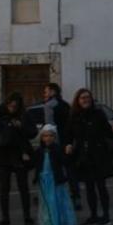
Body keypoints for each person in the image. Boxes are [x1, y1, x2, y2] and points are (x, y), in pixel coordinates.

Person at [66, 88, 113, 225]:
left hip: (99, 155)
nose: (85, 100)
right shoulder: (74, 116)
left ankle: (106, 216)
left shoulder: (98, 114)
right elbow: (69, 135)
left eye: (88, 97)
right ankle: (93, 215)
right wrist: (68, 145)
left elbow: (109, 134)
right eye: (82, 98)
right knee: (89, 187)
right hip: (83, 156)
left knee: (101, 186)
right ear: (78, 100)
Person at [0, 92, 36, 225]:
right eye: (10, 104)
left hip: (20, 155)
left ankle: (27, 217)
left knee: (23, 188)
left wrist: (20, 126)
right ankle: (5, 219)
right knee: (4, 189)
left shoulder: (24, 116)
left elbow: (32, 132)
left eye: (15, 105)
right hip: (3, 156)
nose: (12, 107)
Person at [42, 82, 82, 212]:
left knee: (54, 171)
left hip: (57, 143)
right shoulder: (66, 105)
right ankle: (76, 197)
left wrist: (50, 142)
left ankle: (56, 198)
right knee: (70, 171)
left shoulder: (49, 106)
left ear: (53, 92)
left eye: (46, 91)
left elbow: (50, 126)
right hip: (67, 141)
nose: (45, 94)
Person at [33, 124, 77, 225]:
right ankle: (49, 221)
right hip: (44, 178)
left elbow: (65, 162)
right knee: (47, 200)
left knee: (56, 199)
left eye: (50, 136)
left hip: (55, 178)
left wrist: (68, 153)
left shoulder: (57, 149)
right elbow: (36, 164)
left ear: (55, 137)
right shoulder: (39, 150)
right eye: (45, 136)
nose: (48, 138)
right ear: (42, 137)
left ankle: (58, 221)